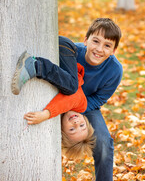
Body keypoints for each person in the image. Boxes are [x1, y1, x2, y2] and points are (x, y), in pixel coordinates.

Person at [11, 18, 123, 181]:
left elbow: (99, 98)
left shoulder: (114, 70)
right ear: (86, 40)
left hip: (86, 106)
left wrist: (74, 106)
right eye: (96, 41)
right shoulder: (73, 51)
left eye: (107, 45)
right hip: (59, 91)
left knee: (104, 143)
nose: (99, 49)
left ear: (114, 50)